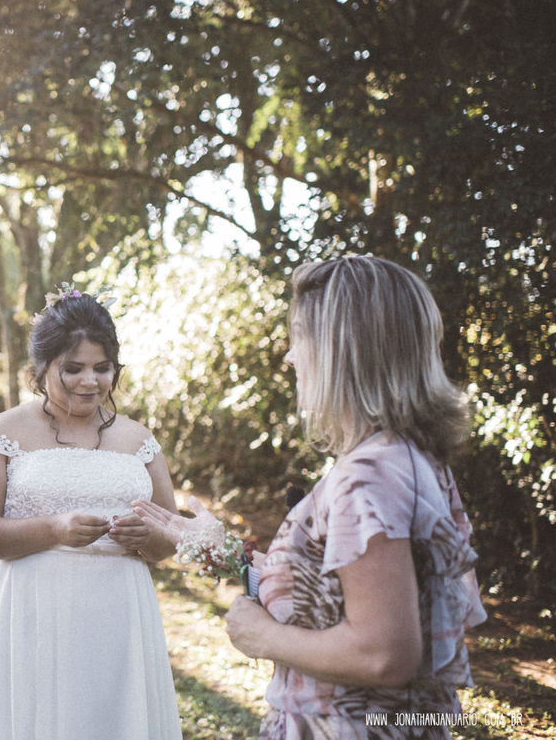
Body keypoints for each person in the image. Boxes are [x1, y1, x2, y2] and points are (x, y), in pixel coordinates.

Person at [136, 255, 487, 739]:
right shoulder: (411, 460)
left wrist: (264, 637)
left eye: (299, 337)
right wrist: (230, 554)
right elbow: (346, 599)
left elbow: (385, 654)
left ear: (344, 348)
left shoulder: (369, 476)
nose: (290, 357)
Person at [0, 283, 183, 740]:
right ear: (42, 368)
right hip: (33, 608)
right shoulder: (2, 433)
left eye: (102, 368)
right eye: (73, 368)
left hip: (120, 612)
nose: (89, 381)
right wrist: (54, 529)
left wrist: (148, 538)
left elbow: (170, 539)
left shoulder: (139, 440)